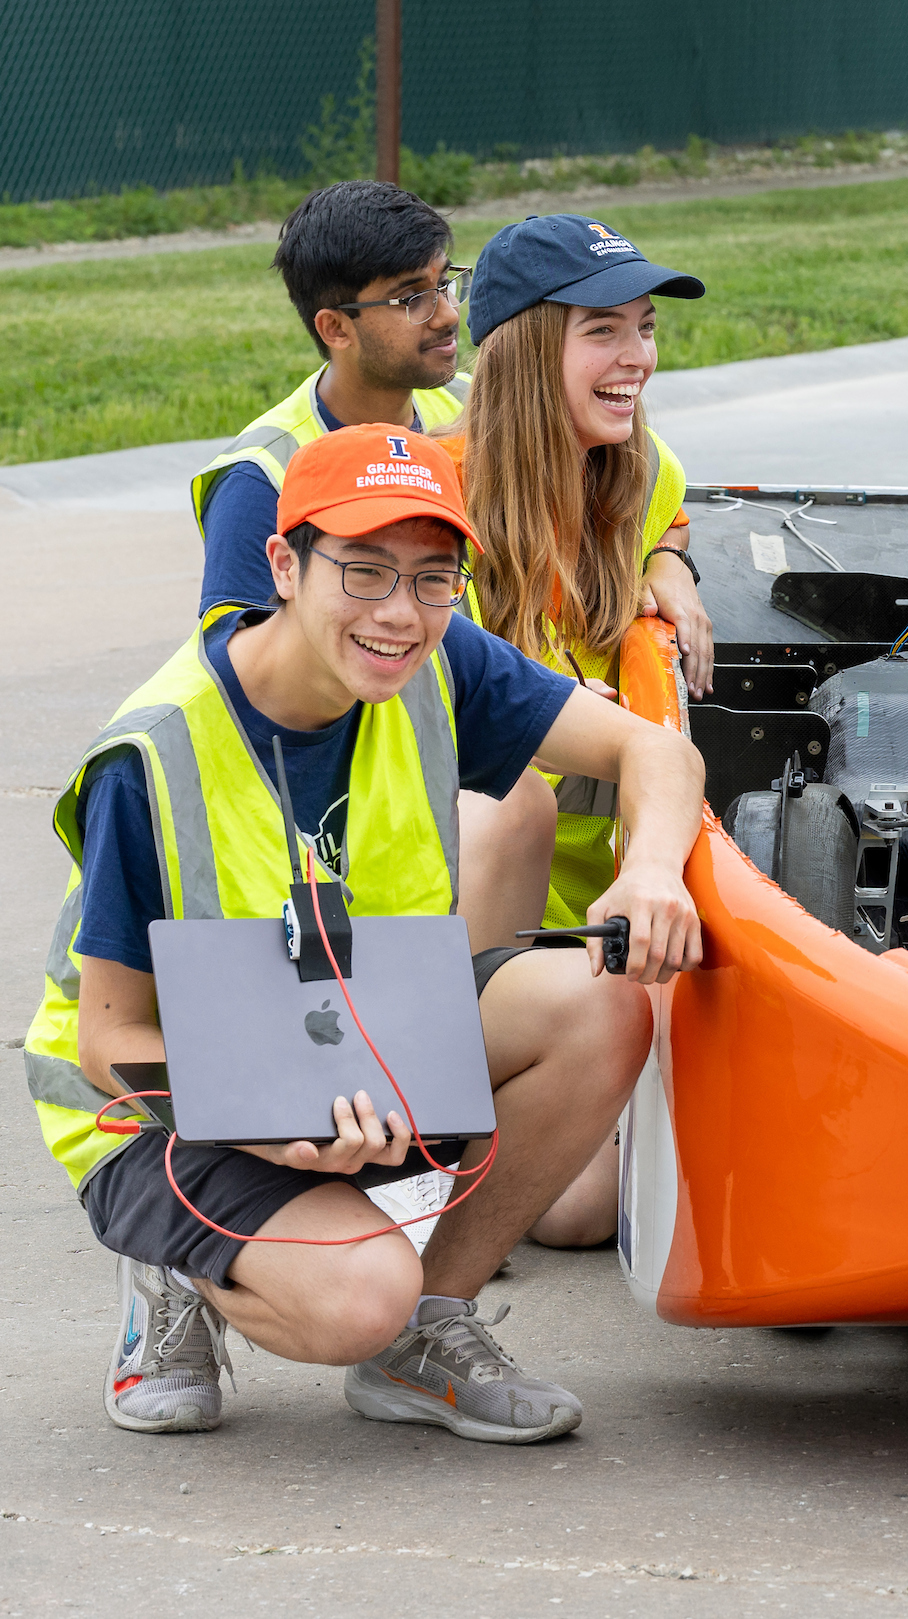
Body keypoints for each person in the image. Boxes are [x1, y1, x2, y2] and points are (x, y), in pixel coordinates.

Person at [21, 425, 706, 1440]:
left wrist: (651, 870)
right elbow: (108, 1041)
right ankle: (177, 1266)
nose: (400, 612)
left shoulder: (437, 660)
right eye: (364, 570)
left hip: (349, 1047)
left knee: (602, 1003)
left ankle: (426, 1334)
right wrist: (278, 1133)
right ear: (285, 567)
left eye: (436, 578)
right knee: (356, 1295)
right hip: (164, 1107)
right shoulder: (153, 755)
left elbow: (653, 752)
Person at [432, 213, 712, 1249]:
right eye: (603, 330)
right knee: (510, 797)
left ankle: (490, 1139)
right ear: (519, 351)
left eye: (645, 328)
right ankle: (429, 1136)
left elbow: (674, 517)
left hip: (590, 916)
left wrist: (672, 564)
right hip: (448, 908)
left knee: (585, 1213)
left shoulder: (637, 474)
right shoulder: (429, 499)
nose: (637, 357)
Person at [192, 182, 470, 622]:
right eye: (415, 298)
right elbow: (243, 664)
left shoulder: (475, 409)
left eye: (446, 283)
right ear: (336, 329)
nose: (449, 314)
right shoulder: (263, 478)